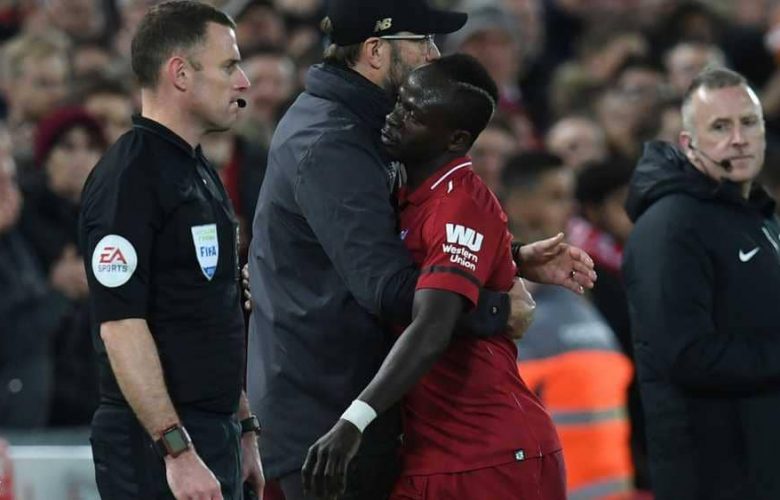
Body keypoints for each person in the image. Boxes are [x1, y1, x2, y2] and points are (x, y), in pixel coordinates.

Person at [247, 1, 596, 499]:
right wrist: (496, 307)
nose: (434, 54)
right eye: (422, 41)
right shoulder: (333, 141)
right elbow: (390, 289)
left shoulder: (362, 127)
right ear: (375, 51)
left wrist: (508, 257)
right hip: (331, 419)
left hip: (362, 413)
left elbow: (402, 243)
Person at [302, 54, 566, 500]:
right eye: (399, 103)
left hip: (492, 455)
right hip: (433, 451)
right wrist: (514, 257)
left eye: (413, 114)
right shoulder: (411, 193)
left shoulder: (459, 204)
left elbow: (432, 326)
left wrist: (353, 422)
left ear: (455, 139)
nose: (394, 118)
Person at [78, 2, 262, 499]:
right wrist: (176, 451)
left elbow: (213, 312)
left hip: (211, 434)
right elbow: (121, 326)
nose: (243, 81)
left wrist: (243, 429)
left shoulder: (198, 171)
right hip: (155, 447)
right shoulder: (129, 180)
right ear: (180, 73)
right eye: (229, 65)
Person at [623, 67, 780, 499]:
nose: (739, 138)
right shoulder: (671, 226)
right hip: (714, 477)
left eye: (748, 122)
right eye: (720, 127)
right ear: (689, 143)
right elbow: (687, 355)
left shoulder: (758, 217)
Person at [500, 152, 635, 499]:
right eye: (555, 196)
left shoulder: (596, 286)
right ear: (518, 203)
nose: (569, 209)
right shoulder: (489, 291)